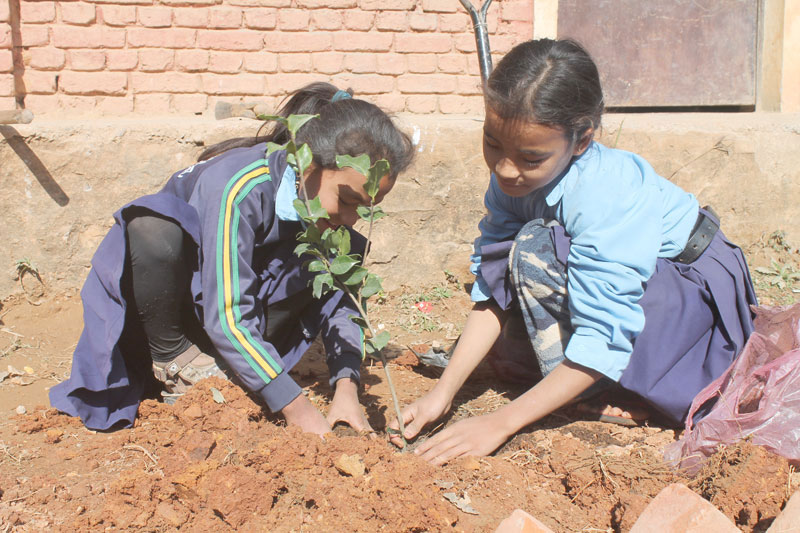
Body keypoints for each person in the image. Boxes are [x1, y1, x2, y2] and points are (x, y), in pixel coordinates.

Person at [389, 39, 756, 465]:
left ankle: (612, 389)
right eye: (493, 144)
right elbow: (495, 283)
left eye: (530, 158)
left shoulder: (604, 192)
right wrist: (442, 393)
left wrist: (498, 423)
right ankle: (585, 381)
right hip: (628, 281)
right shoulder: (512, 177)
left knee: (533, 250)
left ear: (581, 140)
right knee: (523, 256)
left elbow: (605, 333)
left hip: (685, 293)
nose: (506, 169)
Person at [50, 82, 414, 436]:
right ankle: (174, 361)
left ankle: (228, 368)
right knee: (151, 229)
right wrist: (296, 407)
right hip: (184, 311)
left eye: (366, 208)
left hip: (237, 325)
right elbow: (226, 311)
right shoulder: (240, 187)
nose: (352, 218)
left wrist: (346, 389)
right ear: (306, 164)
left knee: (339, 253)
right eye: (348, 200)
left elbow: (341, 308)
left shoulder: (332, 223)